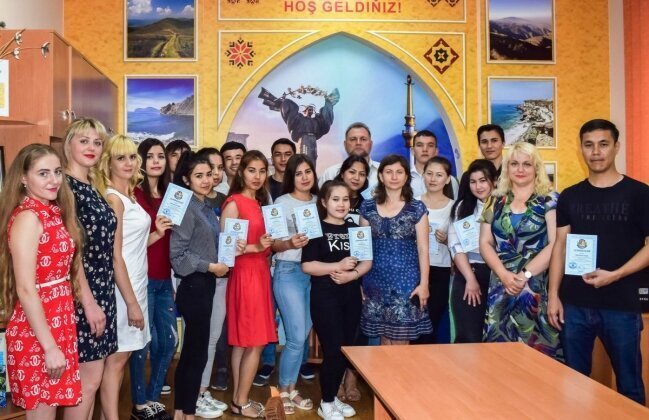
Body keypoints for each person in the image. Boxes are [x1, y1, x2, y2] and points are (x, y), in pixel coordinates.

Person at [548, 119, 649, 404]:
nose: (596, 152)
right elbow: (560, 246)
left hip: (622, 305)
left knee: (629, 387)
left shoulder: (640, 194)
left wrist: (616, 274)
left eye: (603, 144)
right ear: (580, 148)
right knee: (574, 386)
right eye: (589, 145)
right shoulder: (570, 196)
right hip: (575, 306)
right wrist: (553, 295)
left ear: (616, 147)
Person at [0, 144, 83, 418]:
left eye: (57, 172)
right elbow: (25, 288)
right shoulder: (28, 217)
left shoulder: (51, 212)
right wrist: (49, 347)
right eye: (43, 173)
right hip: (37, 329)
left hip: (58, 321)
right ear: (24, 178)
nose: (54, 180)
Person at [95, 135, 167, 420]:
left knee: (121, 359)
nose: (128, 163)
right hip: (124, 290)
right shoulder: (114, 198)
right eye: (120, 158)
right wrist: (132, 302)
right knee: (116, 361)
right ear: (108, 163)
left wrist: (157, 234)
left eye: (132, 157)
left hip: (136, 283)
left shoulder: (129, 195)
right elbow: (115, 256)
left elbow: (132, 245)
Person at [479, 142, 562, 360]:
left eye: (527, 164)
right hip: (501, 285)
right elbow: (485, 243)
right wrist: (504, 275)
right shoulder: (494, 200)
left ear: (537, 168)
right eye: (514, 163)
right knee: (499, 356)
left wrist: (524, 275)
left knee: (538, 355)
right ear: (507, 168)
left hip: (536, 286)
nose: (520, 169)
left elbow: (556, 244)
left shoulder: (550, 199)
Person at [170, 151, 234, 419]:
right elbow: (177, 255)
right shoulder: (187, 207)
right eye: (199, 176)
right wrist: (211, 267)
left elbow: (206, 245)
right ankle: (184, 411)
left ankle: (185, 410)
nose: (207, 180)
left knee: (195, 353)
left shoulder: (204, 206)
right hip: (194, 285)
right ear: (186, 180)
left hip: (205, 285)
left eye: (209, 174)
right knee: (194, 354)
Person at [62, 118, 118, 420]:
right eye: (83, 140)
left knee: (92, 380)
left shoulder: (92, 186)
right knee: (87, 381)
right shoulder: (65, 188)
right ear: (68, 144)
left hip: (101, 289)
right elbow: (72, 252)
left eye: (97, 142)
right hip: (82, 293)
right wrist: (88, 302)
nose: (91, 147)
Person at [302, 180, 372, 420]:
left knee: (345, 349)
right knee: (332, 350)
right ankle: (326, 402)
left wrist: (352, 275)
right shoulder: (315, 229)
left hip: (351, 296)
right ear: (324, 202)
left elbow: (367, 261)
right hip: (325, 298)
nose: (341, 204)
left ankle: (332, 396)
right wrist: (337, 266)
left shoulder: (355, 229)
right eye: (335, 199)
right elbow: (307, 265)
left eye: (345, 199)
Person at [221, 150, 278, 418]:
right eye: (251, 170)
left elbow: (267, 243)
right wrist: (256, 247)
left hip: (260, 273)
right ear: (241, 172)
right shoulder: (234, 203)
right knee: (253, 342)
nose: (257, 176)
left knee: (244, 343)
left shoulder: (260, 203)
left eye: (262, 171)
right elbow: (226, 250)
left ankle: (238, 399)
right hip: (245, 276)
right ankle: (241, 401)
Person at [359, 154, 432, 344]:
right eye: (389, 172)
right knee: (384, 341)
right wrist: (359, 282)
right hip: (374, 280)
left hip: (406, 281)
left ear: (406, 176)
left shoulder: (416, 208)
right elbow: (361, 249)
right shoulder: (367, 207)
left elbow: (423, 249)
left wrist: (424, 284)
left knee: (401, 341)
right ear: (380, 176)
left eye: (399, 172)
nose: (394, 176)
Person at [131, 138, 178, 419]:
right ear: (141, 160)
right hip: (142, 278)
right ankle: (139, 404)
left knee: (169, 342)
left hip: (165, 279)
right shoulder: (134, 196)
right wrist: (157, 233)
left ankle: (152, 398)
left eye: (161, 156)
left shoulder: (172, 196)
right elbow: (129, 244)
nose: (157, 161)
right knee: (142, 344)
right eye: (150, 156)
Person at [269, 154, 318, 414]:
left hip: (316, 274)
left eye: (308, 171)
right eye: (298, 173)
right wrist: (290, 243)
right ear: (291, 177)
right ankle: (282, 390)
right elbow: (273, 244)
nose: (304, 177)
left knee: (303, 335)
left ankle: (292, 388)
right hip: (288, 271)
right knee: (296, 337)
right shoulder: (281, 202)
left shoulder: (320, 202)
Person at [193, 147, 230, 412]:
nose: (212, 176)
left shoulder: (221, 201)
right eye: (206, 171)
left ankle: (202, 391)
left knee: (213, 337)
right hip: (196, 280)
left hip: (220, 277)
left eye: (217, 169)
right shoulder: (188, 204)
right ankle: (193, 396)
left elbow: (223, 239)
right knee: (198, 339)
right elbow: (179, 251)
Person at [448, 160, 498, 343]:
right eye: (473, 181)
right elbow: (455, 246)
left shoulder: (506, 206)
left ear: (494, 181)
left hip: (498, 276)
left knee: (497, 338)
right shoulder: (463, 207)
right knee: (469, 338)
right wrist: (470, 278)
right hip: (469, 273)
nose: (478, 186)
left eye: (483, 180)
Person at [414, 156, 455, 344]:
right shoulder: (413, 204)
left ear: (447, 179)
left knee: (431, 324)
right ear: (423, 175)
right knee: (413, 326)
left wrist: (447, 241)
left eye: (439, 175)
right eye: (429, 174)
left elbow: (460, 243)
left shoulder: (455, 207)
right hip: (414, 269)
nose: (433, 179)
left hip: (441, 270)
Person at [259, 87, 339, 164]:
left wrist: (328, 103)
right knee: (304, 158)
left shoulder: (317, 121)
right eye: (309, 109)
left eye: (312, 110)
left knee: (312, 159)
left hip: (312, 141)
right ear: (305, 111)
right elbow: (290, 111)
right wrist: (284, 102)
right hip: (303, 140)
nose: (310, 111)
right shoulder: (299, 119)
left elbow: (325, 119)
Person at [319, 122, 380, 188]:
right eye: (353, 139)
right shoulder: (330, 173)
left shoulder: (383, 171)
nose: (358, 143)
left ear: (371, 144)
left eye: (363, 139)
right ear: (345, 144)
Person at [409, 130, 459, 198]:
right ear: (412, 151)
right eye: (420, 145)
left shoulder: (450, 180)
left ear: (436, 151)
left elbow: (455, 204)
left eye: (430, 145)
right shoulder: (405, 179)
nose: (425, 149)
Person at [334, 155, 369, 225]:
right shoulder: (330, 197)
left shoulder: (368, 202)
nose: (357, 178)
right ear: (342, 174)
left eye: (362, 174)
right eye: (352, 172)